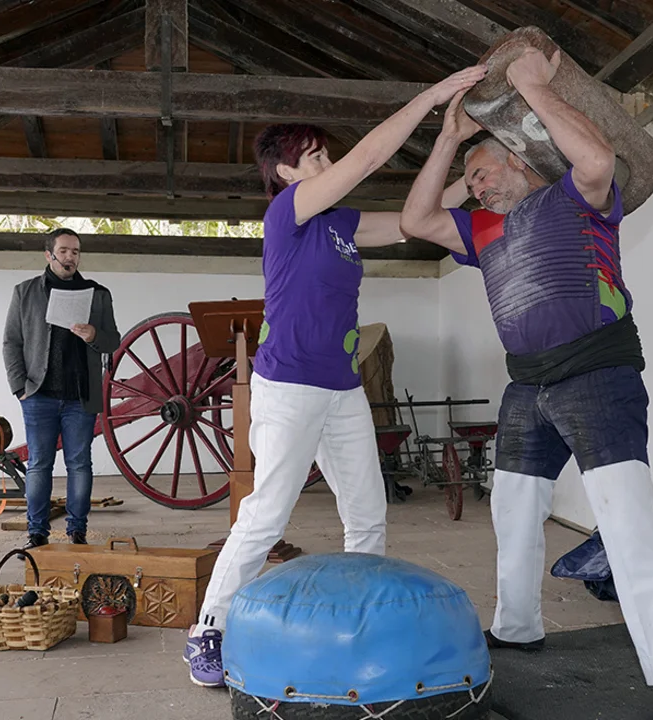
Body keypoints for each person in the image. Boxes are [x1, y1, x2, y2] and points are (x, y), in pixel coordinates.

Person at [399, 48, 653, 720]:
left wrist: (533, 88)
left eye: (481, 173)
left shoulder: (573, 199)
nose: (475, 188)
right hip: (526, 388)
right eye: (469, 183)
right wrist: (450, 140)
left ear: (517, 159)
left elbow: (595, 159)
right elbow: (414, 220)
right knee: (512, 510)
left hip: (596, 376)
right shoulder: (479, 231)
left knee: (627, 520)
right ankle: (517, 629)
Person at [183, 63, 489, 689]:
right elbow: (368, 158)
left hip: (341, 388)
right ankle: (208, 629)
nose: (327, 162)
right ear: (286, 173)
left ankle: (358, 623)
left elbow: (413, 220)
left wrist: (465, 162)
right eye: (315, 157)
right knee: (267, 515)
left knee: (368, 514)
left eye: (326, 154)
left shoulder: (341, 225)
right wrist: (432, 98)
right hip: (289, 385)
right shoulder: (286, 214)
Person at [2, 228, 120, 548]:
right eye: (64, 251)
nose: (70, 257)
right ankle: (37, 532)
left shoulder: (98, 294)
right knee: (39, 464)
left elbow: (113, 340)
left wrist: (94, 335)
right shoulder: (25, 292)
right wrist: (19, 387)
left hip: (80, 396)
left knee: (79, 465)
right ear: (49, 255)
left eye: (75, 252)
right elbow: (11, 342)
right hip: (38, 394)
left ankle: (77, 531)